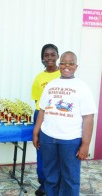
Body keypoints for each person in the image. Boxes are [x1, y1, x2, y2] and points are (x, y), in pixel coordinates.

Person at [32, 51, 97, 195]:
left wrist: (85, 144)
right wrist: (36, 132)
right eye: (63, 63)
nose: (66, 66)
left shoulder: (82, 87)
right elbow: (42, 110)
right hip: (48, 137)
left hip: (70, 140)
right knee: (50, 175)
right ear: (59, 64)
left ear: (76, 66)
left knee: (70, 177)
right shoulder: (50, 85)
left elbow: (88, 117)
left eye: (70, 63)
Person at [31, 43, 60, 196]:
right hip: (41, 116)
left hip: (60, 117)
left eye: (52, 54)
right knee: (41, 150)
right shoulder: (39, 78)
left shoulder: (64, 74)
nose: (49, 58)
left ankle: (56, 184)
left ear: (57, 56)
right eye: (46, 55)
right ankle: (43, 184)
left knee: (58, 151)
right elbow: (36, 101)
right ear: (42, 58)